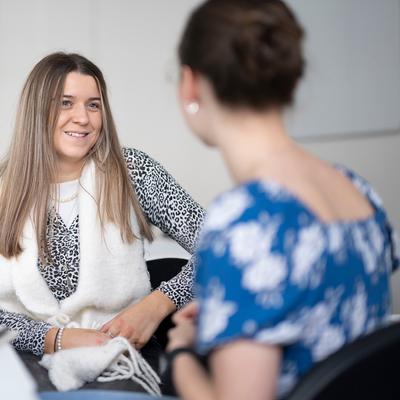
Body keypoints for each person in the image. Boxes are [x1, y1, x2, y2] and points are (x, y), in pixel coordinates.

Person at [166, 0, 400, 399]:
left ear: (191, 84)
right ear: (288, 81)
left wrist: (182, 350)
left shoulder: (243, 224)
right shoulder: (358, 190)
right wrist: (233, 307)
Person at [0, 52, 205, 366]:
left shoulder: (132, 170)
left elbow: (222, 246)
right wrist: (56, 338)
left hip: (120, 356)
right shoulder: (4, 189)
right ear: (36, 110)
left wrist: (157, 304)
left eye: (93, 104)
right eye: (65, 102)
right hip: (23, 359)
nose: (83, 118)